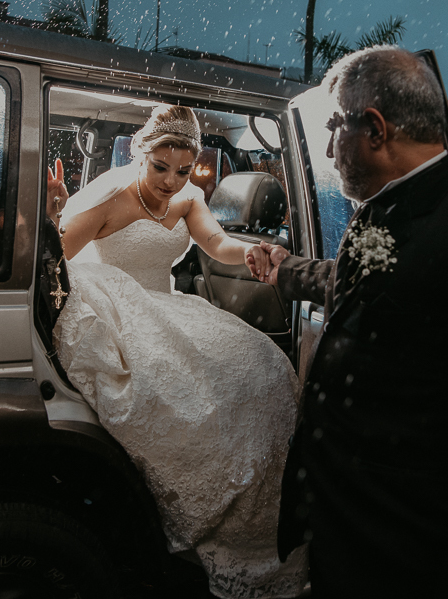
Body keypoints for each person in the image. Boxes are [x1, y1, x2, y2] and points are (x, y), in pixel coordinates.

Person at [255, 46, 448, 597]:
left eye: (332, 129)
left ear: (374, 128)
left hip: (409, 552)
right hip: (348, 528)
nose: (327, 147)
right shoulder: (386, 207)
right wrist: (285, 270)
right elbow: (363, 288)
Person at [45, 104, 308, 599]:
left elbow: (217, 242)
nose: (170, 181)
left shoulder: (187, 197)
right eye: (160, 168)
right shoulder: (109, 198)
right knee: (166, 390)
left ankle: (255, 518)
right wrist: (55, 215)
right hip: (114, 300)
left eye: (183, 170)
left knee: (264, 368)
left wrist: (250, 251)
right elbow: (57, 258)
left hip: (164, 303)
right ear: (141, 155)